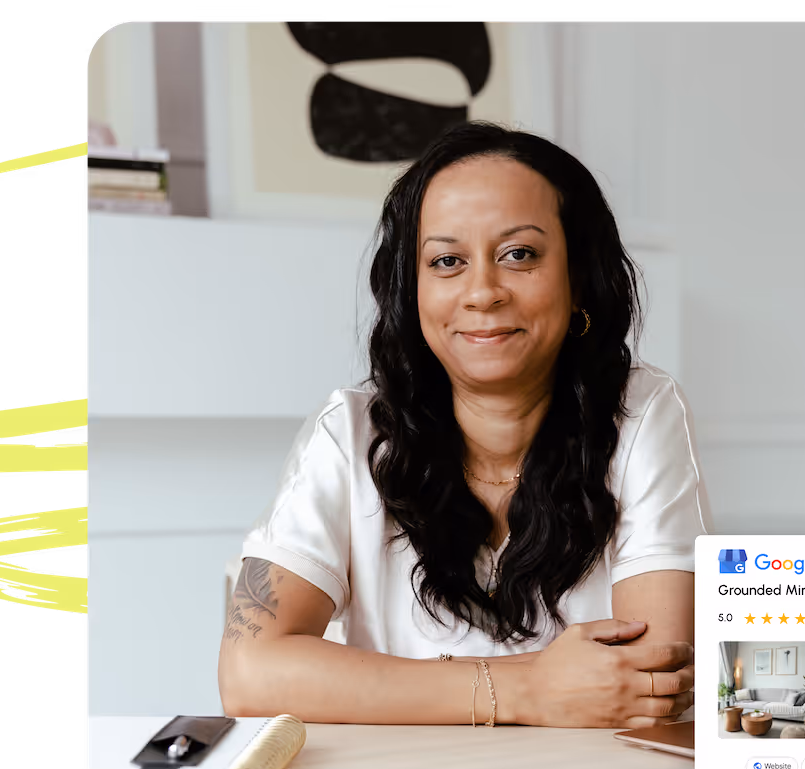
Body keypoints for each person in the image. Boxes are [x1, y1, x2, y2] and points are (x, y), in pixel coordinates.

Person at [219, 122, 708, 728]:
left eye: (519, 255)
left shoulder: (641, 412)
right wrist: (528, 690)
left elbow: (651, 690)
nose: (482, 292)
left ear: (579, 276)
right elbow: (250, 673)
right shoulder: (351, 433)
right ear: (412, 291)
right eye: (447, 261)